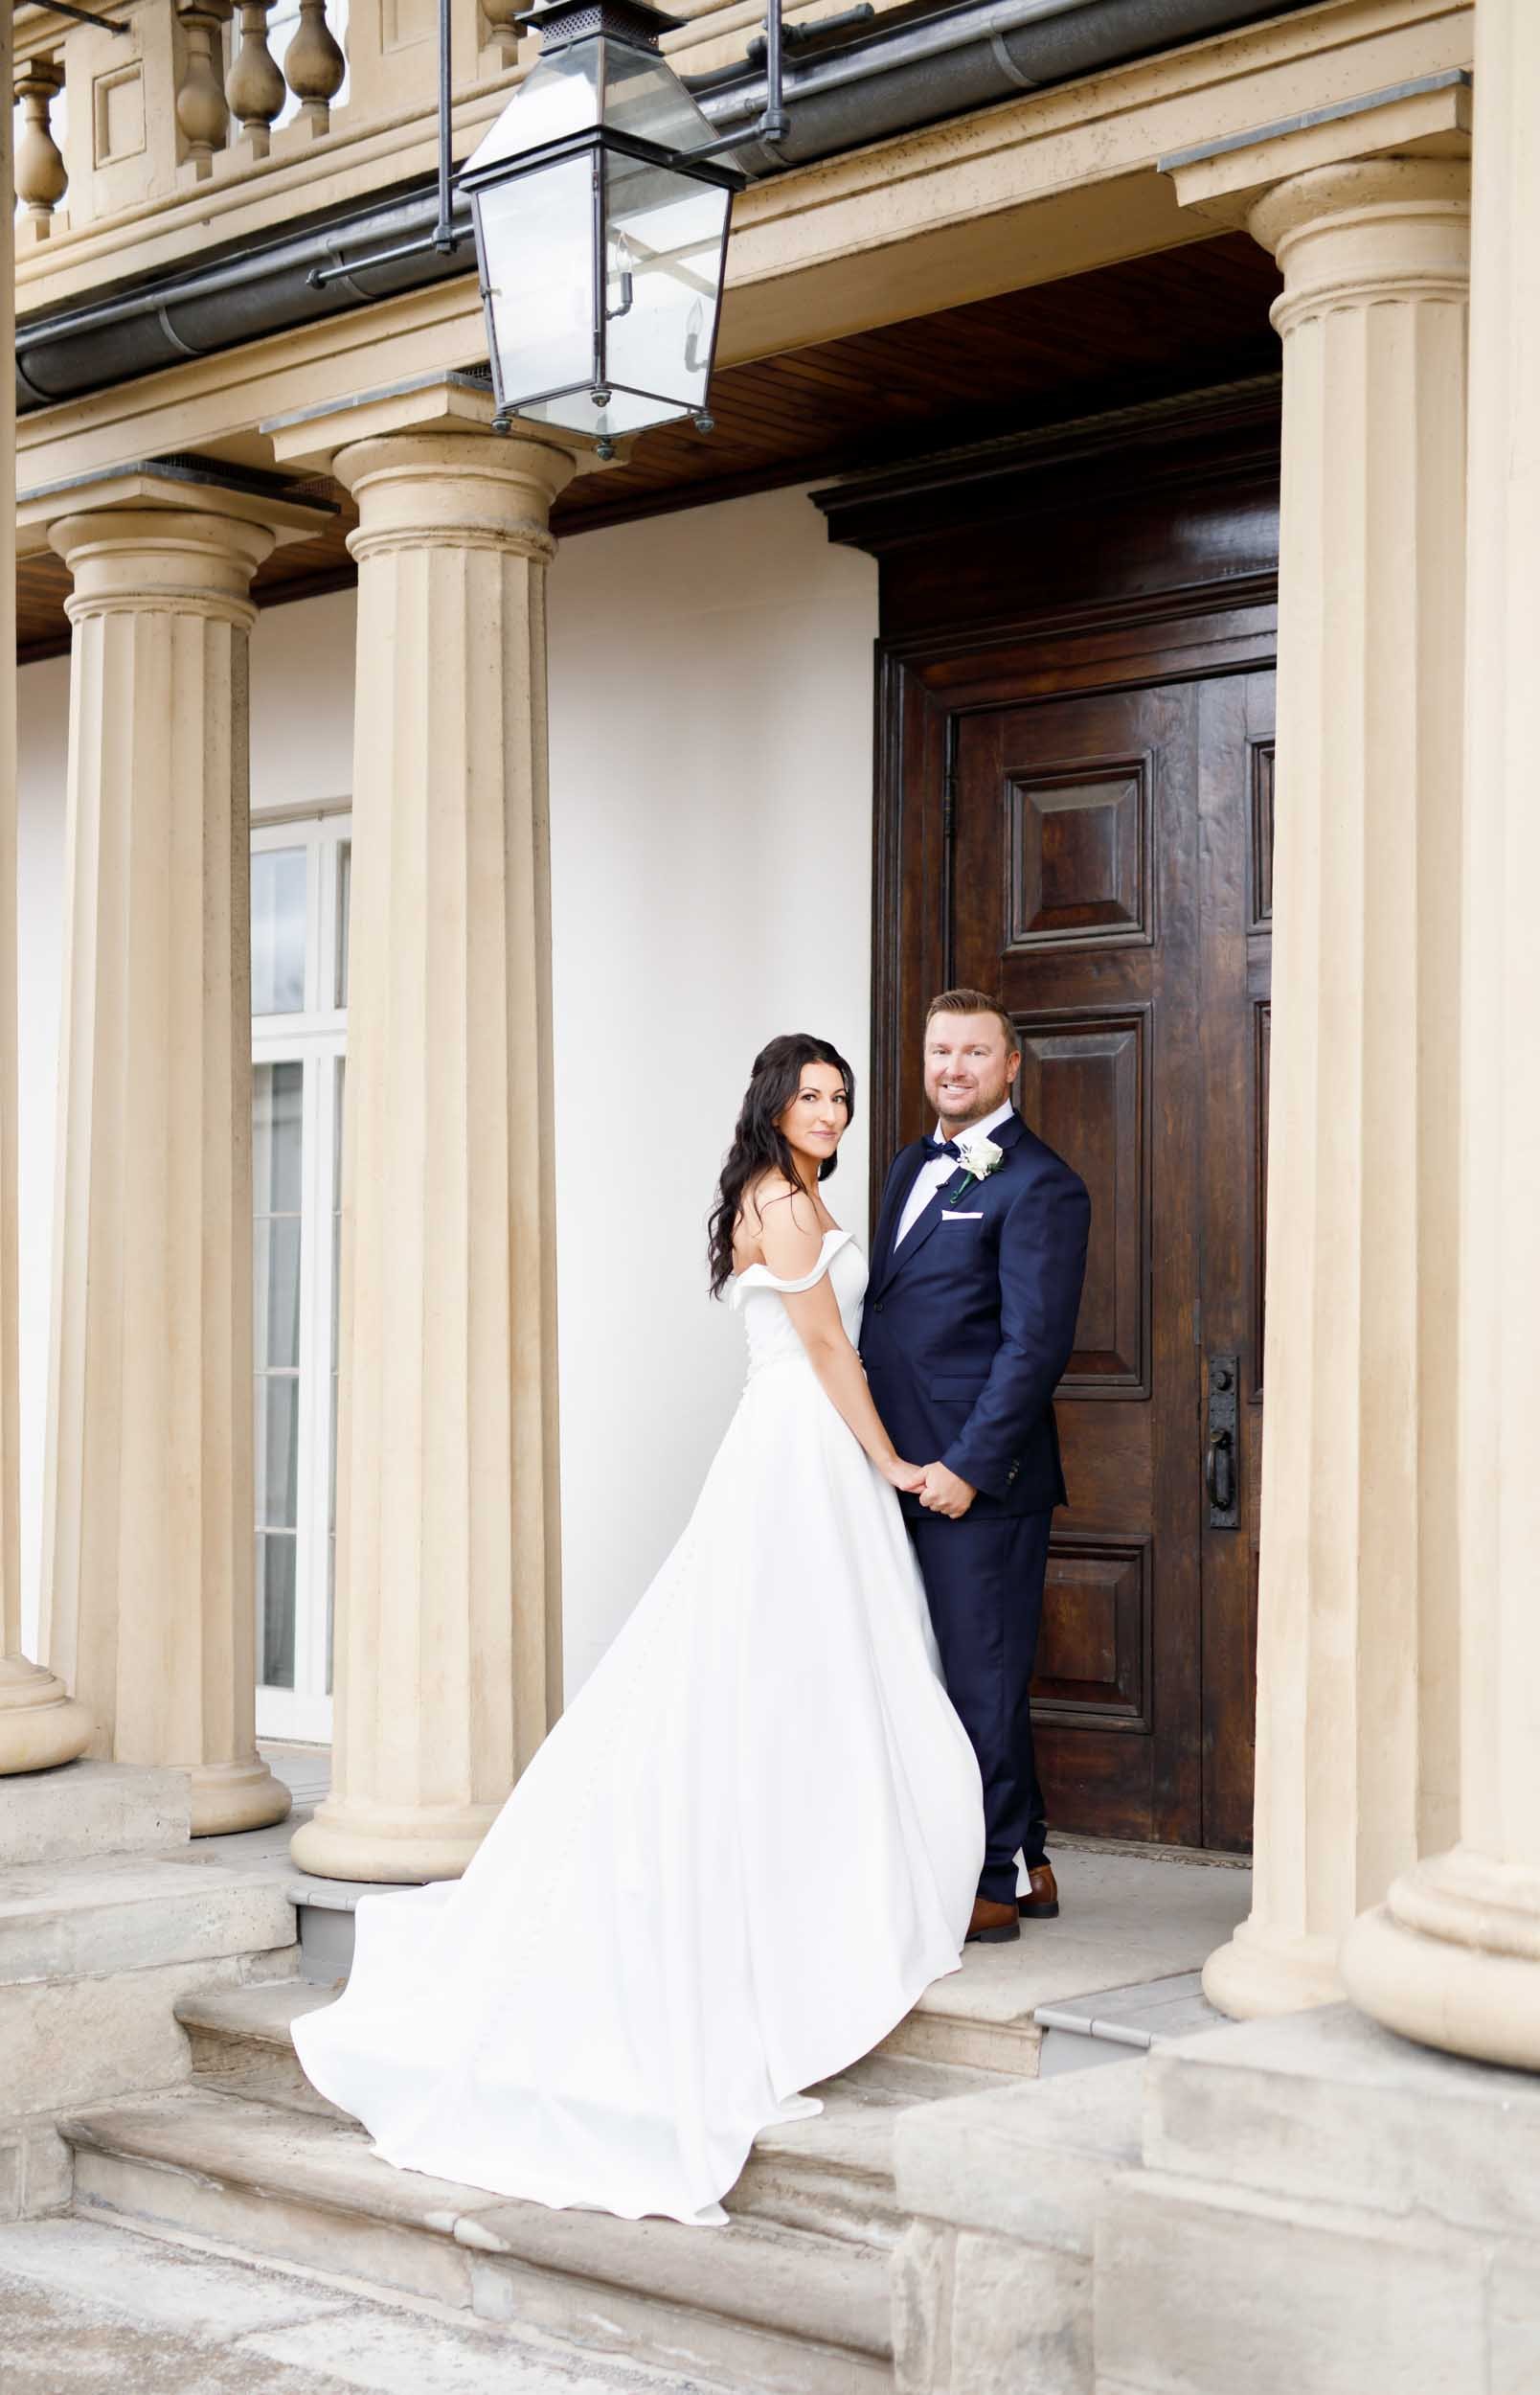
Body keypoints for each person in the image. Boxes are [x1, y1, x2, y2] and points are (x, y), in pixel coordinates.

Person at [293, 1034, 984, 2226]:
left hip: (806, 1447)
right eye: (811, 1094)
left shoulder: (804, 1189)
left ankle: (832, 1862)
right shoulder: (776, 1199)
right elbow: (823, 1347)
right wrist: (890, 1461)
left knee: (822, 1675)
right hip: (799, 1449)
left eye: (841, 1097)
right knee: (777, 1668)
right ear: (773, 1103)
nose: (830, 1111)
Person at [860, 990, 1090, 1946]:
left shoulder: (1043, 1183)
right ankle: (1028, 1856)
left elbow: (1033, 1346)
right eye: (938, 1050)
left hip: (975, 1479)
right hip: (898, 1467)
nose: (951, 1066)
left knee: (981, 1678)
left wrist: (968, 1464)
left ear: (1011, 1066)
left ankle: (990, 1880)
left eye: (972, 1051)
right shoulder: (913, 1162)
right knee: (953, 1666)